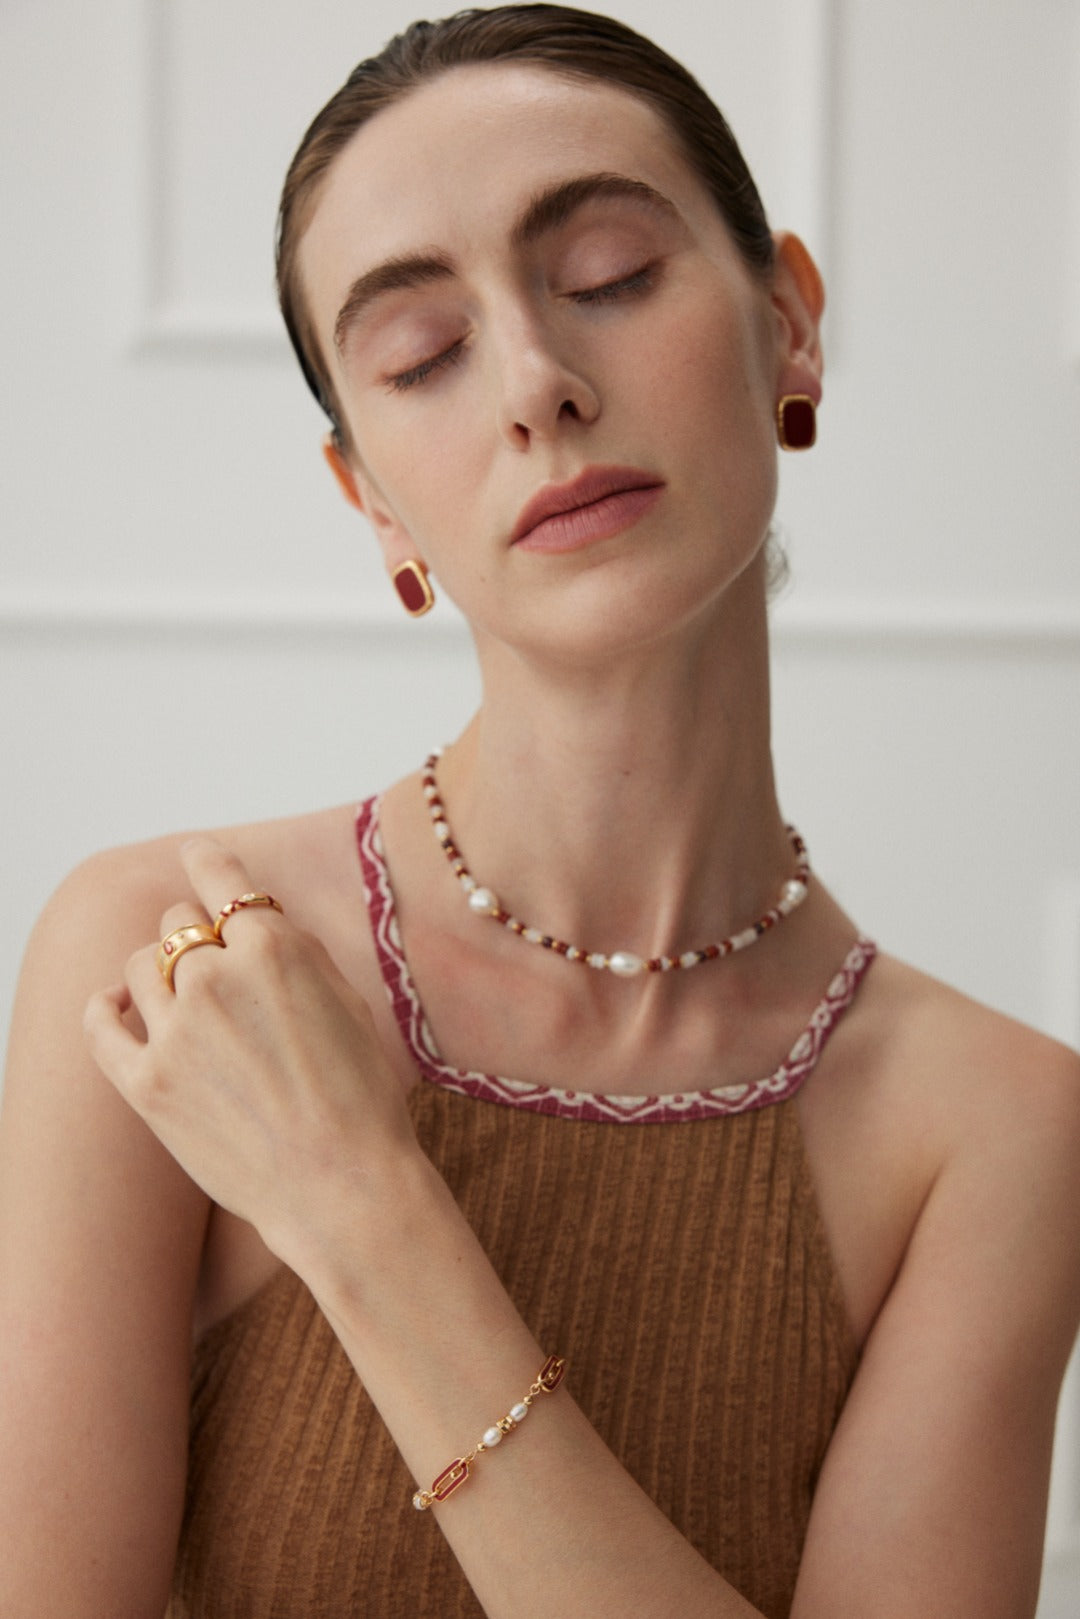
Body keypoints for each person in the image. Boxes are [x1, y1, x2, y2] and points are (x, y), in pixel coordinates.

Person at [1, 5, 1078, 1615]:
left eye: (608, 280)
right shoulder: (181, 968)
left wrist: (363, 1205)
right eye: (422, 356)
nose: (535, 385)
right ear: (372, 499)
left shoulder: (991, 1128)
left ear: (789, 324)